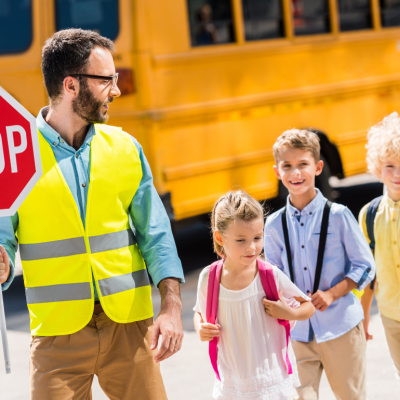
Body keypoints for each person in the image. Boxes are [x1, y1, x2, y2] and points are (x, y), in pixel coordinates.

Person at [0, 28, 184, 400]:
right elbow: (3, 239)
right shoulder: (18, 156)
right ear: (71, 85)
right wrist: (2, 265)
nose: (115, 90)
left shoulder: (126, 148)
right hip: (57, 336)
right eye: (106, 80)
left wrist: (172, 308)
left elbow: (157, 235)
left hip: (129, 327)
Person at [264, 129, 375, 400]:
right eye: (287, 166)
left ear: (318, 167)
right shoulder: (273, 224)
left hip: (341, 328)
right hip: (297, 334)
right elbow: (272, 277)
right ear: (277, 172)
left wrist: (331, 293)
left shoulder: (339, 216)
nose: (295, 173)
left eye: (303, 164)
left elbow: (365, 265)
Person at [193, 190, 315, 400]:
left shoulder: (269, 275)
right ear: (219, 237)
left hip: (270, 381)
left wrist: (289, 312)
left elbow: (308, 307)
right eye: (241, 240)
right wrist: (200, 328)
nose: (252, 247)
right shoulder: (209, 278)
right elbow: (199, 312)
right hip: (233, 381)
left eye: (257, 238)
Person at [359, 112, 400, 384]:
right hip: (391, 314)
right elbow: (367, 273)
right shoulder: (369, 214)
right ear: (377, 167)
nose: (397, 175)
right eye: (389, 166)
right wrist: (363, 315)